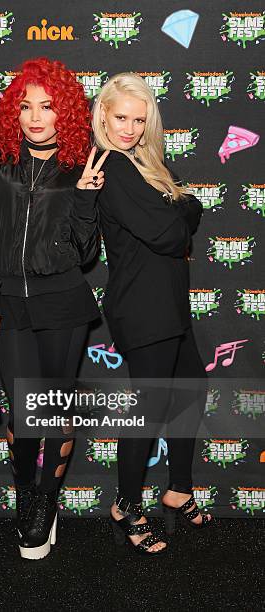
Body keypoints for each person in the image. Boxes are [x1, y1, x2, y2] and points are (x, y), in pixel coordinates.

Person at [0, 57, 108, 560]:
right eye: (25, 106)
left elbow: (87, 252)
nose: (34, 116)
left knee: (54, 411)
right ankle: (26, 491)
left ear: (64, 112)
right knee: (25, 413)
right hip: (8, 304)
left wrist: (87, 198)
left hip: (64, 304)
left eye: (46, 107)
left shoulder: (80, 164)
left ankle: (46, 503)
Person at [93, 73, 211, 556]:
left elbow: (194, 209)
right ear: (103, 115)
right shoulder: (113, 166)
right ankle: (125, 505)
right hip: (141, 306)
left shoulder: (147, 161)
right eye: (121, 117)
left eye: (139, 119)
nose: (130, 127)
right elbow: (169, 233)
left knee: (191, 390)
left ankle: (178, 489)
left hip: (168, 303)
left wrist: (176, 215)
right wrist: (176, 214)